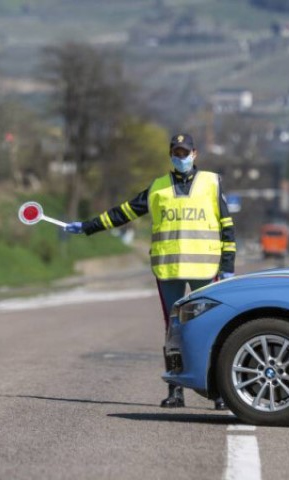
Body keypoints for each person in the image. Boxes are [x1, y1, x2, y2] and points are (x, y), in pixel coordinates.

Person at [64, 133, 236, 410]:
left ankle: (218, 392)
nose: (180, 157)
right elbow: (124, 212)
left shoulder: (211, 184)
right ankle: (176, 389)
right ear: (170, 155)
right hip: (168, 271)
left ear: (195, 154)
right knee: (174, 333)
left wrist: (228, 267)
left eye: (184, 152)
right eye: (175, 153)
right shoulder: (157, 188)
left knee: (213, 330)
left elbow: (227, 227)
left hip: (205, 269)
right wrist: (87, 226)